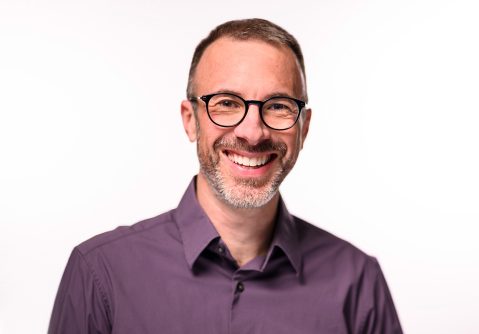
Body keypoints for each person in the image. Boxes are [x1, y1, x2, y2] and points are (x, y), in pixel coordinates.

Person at [48, 18, 403, 334]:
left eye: (278, 106)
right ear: (190, 119)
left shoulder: (358, 282)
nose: (253, 132)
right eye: (227, 103)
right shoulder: (101, 273)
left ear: (304, 127)